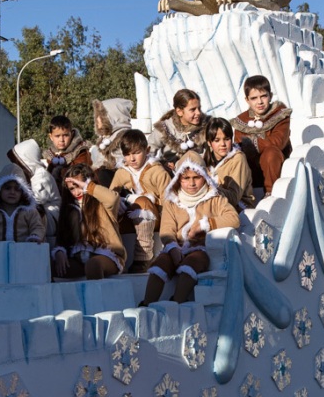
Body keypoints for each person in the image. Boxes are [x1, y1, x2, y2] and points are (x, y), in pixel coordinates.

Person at [146, 157, 239, 303]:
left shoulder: (215, 198)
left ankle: (177, 302)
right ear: (178, 179)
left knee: (191, 264)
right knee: (161, 264)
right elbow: (167, 229)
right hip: (176, 247)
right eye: (186, 178)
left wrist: (204, 225)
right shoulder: (172, 201)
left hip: (201, 248)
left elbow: (233, 218)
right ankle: (147, 304)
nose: (192, 183)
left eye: (197, 177)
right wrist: (172, 247)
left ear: (205, 176)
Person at [108, 128, 170, 270]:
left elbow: (168, 201)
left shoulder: (158, 171)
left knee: (142, 202)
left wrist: (169, 232)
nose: (132, 159)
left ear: (147, 150)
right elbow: (110, 197)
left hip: (157, 217)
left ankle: (144, 257)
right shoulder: (121, 172)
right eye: (127, 154)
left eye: (136, 153)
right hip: (131, 217)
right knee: (112, 206)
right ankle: (113, 255)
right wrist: (119, 201)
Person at [55, 164, 126, 280]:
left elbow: (113, 198)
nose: (77, 192)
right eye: (72, 189)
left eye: (79, 186)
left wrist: (88, 187)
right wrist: (59, 251)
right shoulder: (68, 209)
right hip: (78, 256)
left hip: (106, 255)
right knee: (51, 266)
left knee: (93, 265)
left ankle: (97, 293)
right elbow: (62, 238)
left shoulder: (101, 203)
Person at [233, 74, 292, 196]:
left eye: (263, 96)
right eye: (254, 98)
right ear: (247, 100)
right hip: (252, 171)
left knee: (270, 152)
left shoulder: (280, 114)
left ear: (270, 96)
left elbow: (278, 141)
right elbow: (239, 146)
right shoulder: (241, 121)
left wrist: (251, 143)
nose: (259, 102)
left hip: (276, 167)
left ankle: (270, 194)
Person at [205, 117, 254, 208]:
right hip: (213, 206)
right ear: (209, 142)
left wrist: (208, 189)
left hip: (239, 208)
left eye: (227, 139)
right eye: (217, 140)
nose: (223, 144)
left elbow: (234, 197)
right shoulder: (204, 161)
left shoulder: (238, 158)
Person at [152, 88, 206, 159]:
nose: (198, 113)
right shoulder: (165, 128)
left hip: (198, 164)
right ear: (179, 112)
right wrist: (160, 164)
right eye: (192, 110)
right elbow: (148, 152)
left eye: (199, 108)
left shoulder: (206, 126)